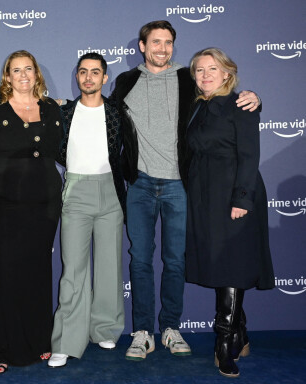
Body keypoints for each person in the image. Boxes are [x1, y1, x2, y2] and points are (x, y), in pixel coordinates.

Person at [110, 20, 261, 361]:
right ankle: (143, 331)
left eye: (168, 43)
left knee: (175, 260)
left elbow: (221, 100)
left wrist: (254, 97)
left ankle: (171, 328)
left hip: (180, 183)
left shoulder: (188, 79)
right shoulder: (126, 81)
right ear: (142, 46)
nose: (162, 48)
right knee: (140, 260)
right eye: (155, 42)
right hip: (141, 183)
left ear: (173, 47)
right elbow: (108, 120)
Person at [0, 50, 63, 373]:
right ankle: (2, 348)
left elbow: (59, 149)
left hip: (45, 202)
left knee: (38, 273)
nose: (23, 75)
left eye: (28, 69)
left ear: (37, 74)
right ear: (7, 77)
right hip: (3, 203)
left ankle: (40, 341)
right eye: (16, 70)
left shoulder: (52, 109)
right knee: (4, 277)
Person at [186, 48, 274, 378]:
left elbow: (250, 156)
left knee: (233, 267)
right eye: (199, 70)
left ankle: (225, 345)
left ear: (227, 73)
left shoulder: (241, 104)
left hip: (235, 195)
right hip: (205, 197)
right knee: (223, 264)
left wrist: (242, 199)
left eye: (213, 68)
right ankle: (241, 334)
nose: (205, 74)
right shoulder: (199, 107)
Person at [48, 53, 126, 368]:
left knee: (109, 266)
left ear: (104, 78)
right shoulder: (62, 110)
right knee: (74, 270)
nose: (89, 77)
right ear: (77, 76)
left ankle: (105, 328)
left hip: (111, 192)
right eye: (83, 72)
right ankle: (66, 340)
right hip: (76, 190)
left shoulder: (117, 113)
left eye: (95, 72)